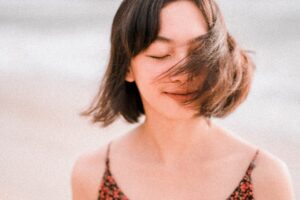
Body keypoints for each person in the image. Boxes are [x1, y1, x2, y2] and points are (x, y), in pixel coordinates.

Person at [71, 0, 295, 199]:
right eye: (160, 53)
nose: (184, 74)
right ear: (127, 67)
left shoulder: (264, 178)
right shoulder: (92, 174)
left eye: (199, 53)